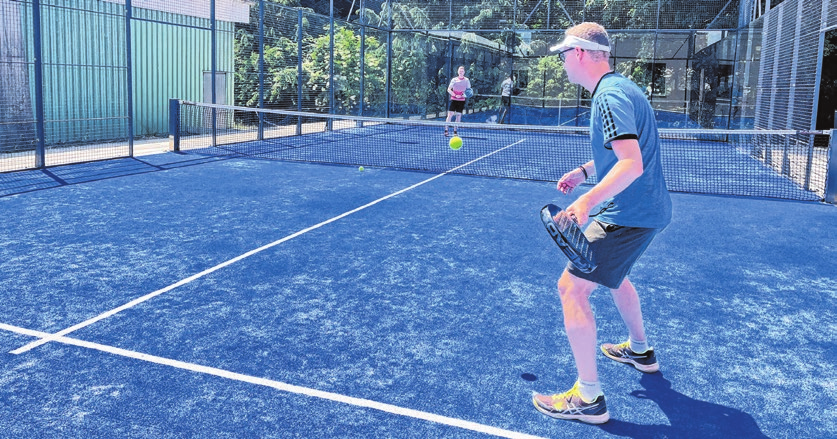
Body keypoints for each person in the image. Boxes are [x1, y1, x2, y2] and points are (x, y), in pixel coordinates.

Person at [531, 22, 672, 425]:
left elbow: (631, 163)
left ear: (578, 54)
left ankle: (588, 398)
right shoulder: (623, 88)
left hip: (629, 214)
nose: (561, 64)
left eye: (563, 56)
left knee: (571, 288)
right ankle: (640, 350)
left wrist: (588, 199)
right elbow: (624, 151)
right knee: (614, 276)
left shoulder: (607, 97)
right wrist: (584, 171)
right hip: (647, 210)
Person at [445, 66, 470, 136]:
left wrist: (462, 95)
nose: (461, 72)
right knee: (450, 115)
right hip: (453, 100)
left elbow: (469, 90)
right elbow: (449, 89)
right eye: (459, 71)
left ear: (464, 72)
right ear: (458, 72)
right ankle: (446, 130)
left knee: (458, 115)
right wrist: (455, 95)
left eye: (462, 71)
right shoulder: (454, 80)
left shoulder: (466, 80)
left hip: (461, 101)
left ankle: (455, 131)